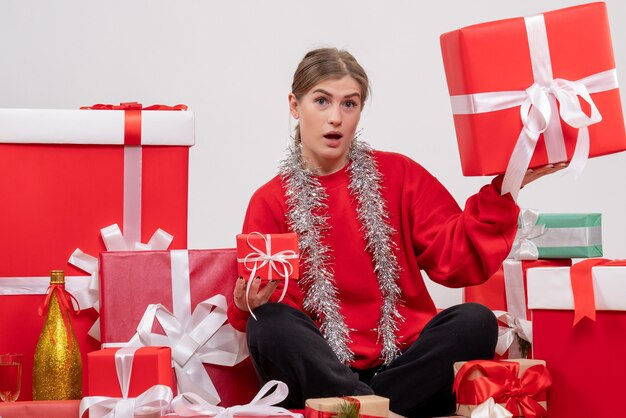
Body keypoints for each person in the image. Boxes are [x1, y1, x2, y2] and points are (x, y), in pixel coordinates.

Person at [227, 47, 565, 418]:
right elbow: (274, 309)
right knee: (270, 325)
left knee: (475, 321)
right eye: (321, 101)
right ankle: (375, 406)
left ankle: (363, 408)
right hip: (321, 369)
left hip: (403, 363)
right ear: (295, 105)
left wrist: (506, 189)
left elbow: (456, 256)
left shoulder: (399, 175)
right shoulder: (269, 200)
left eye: (349, 104)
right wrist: (248, 306)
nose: (335, 118)